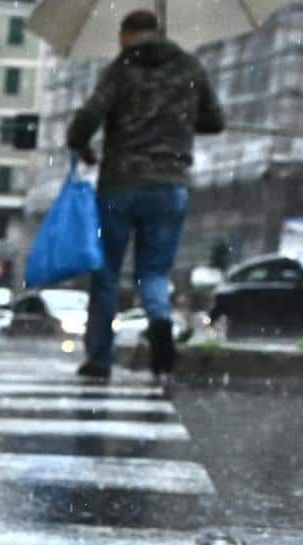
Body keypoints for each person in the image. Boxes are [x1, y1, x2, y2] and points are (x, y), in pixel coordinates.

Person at [66, 7, 225, 381]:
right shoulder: (189, 68)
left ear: (127, 35)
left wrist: (81, 144)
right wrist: (180, 121)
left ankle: (100, 359)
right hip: (170, 185)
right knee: (154, 271)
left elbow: (88, 117)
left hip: (120, 184)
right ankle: (160, 323)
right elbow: (215, 120)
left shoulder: (122, 68)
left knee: (106, 272)